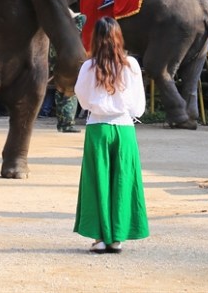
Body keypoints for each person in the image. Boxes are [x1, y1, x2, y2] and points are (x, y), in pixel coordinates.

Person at [73, 17, 149, 254]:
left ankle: (100, 237)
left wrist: (99, 106)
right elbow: (139, 105)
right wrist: (126, 112)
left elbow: (82, 98)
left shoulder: (88, 66)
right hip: (124, 128)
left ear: (95, 38)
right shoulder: (132, 65)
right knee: (123, 180)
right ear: (119, 37)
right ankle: (117, 237)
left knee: (98, 182)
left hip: (98, 127)